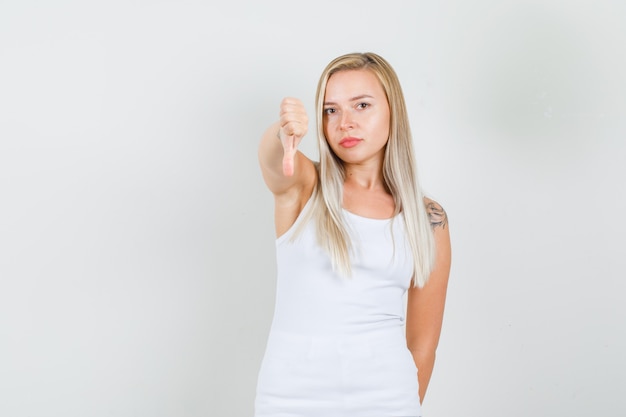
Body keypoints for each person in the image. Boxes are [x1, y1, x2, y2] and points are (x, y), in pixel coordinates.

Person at [254, 52, 451, 417]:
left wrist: (401, 402)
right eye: (331, 110)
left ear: (393, 110)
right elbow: (272, 163)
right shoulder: (306, 186)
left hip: (387, 400)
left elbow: (423, 343)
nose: (345, 123)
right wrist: (280, 133)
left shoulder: (428, 217)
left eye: (361, 105)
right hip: (291, 399)